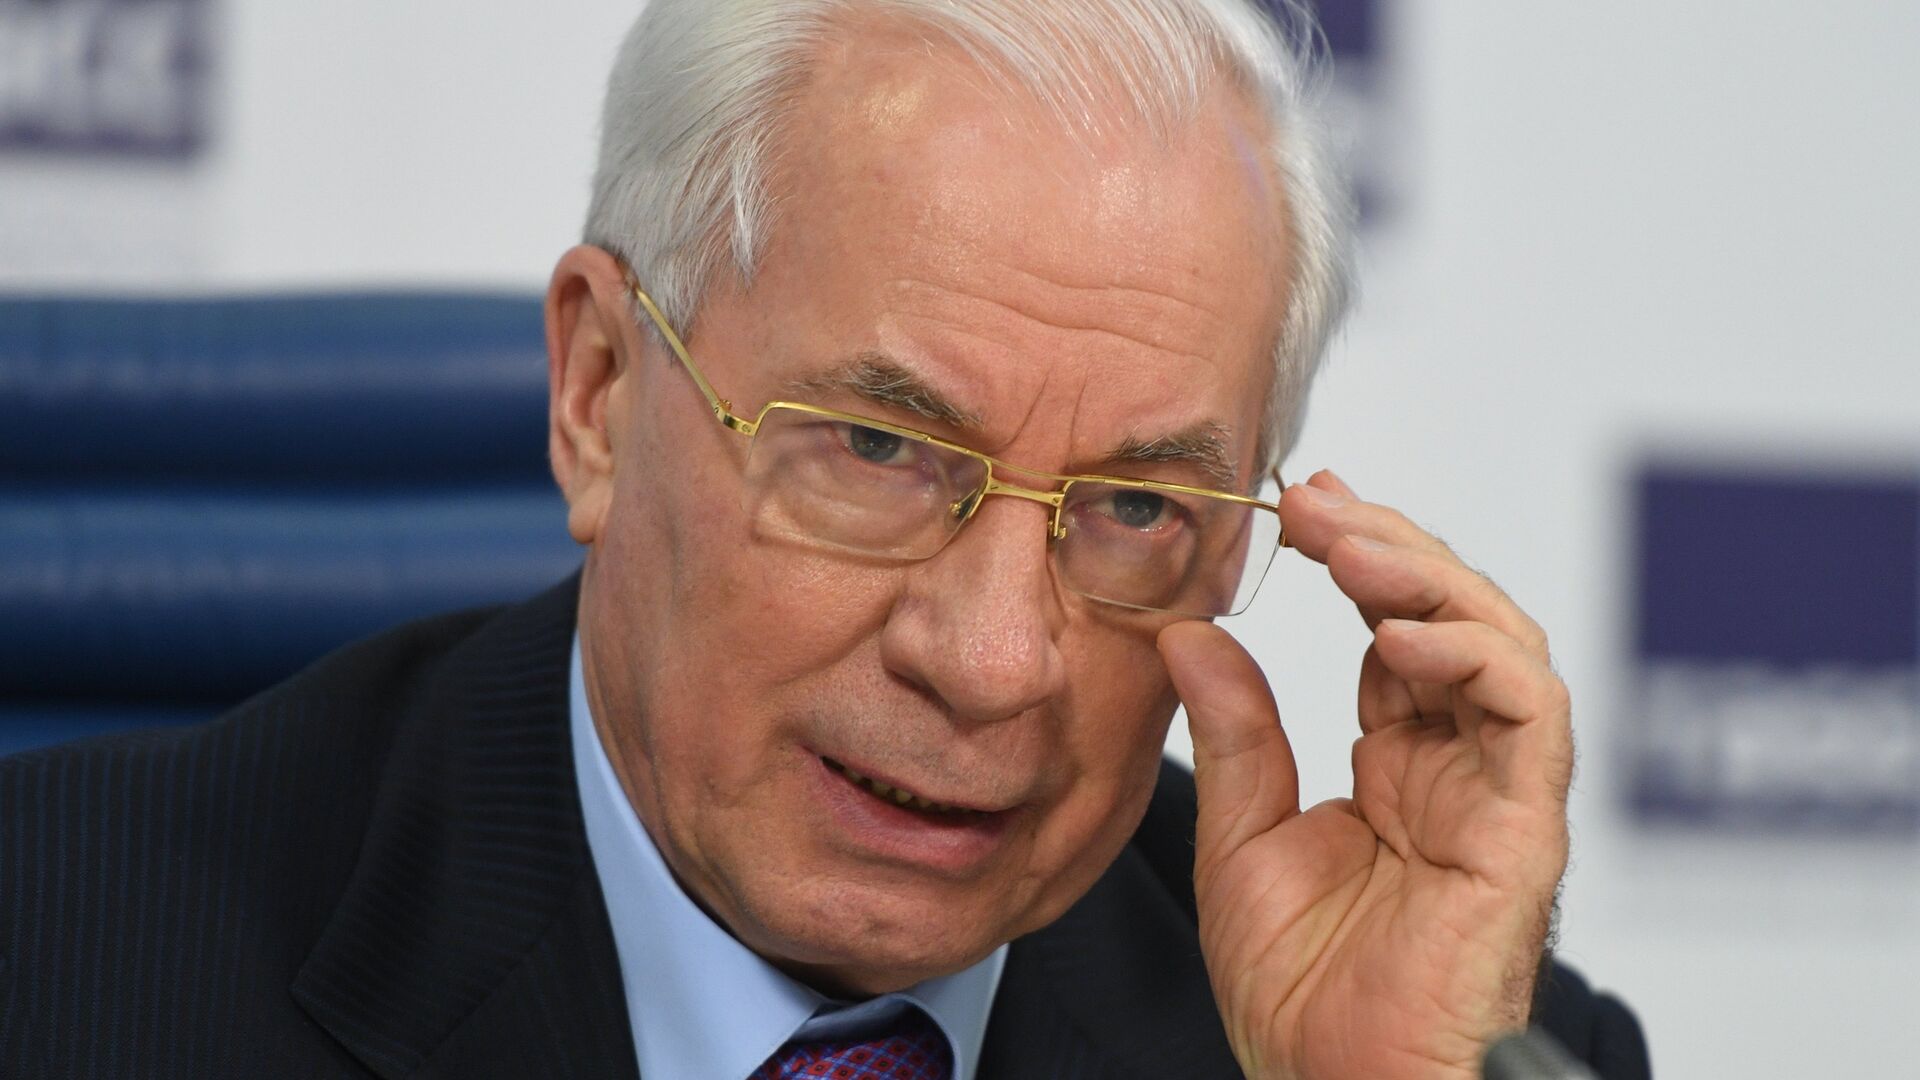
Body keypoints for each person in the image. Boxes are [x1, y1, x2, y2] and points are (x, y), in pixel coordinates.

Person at [1, 1, 1649, 1078]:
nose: (991, 662)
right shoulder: (56, 963)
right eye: (878, 448)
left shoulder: (1415, 1037)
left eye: (1135, 507)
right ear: (598, 392)